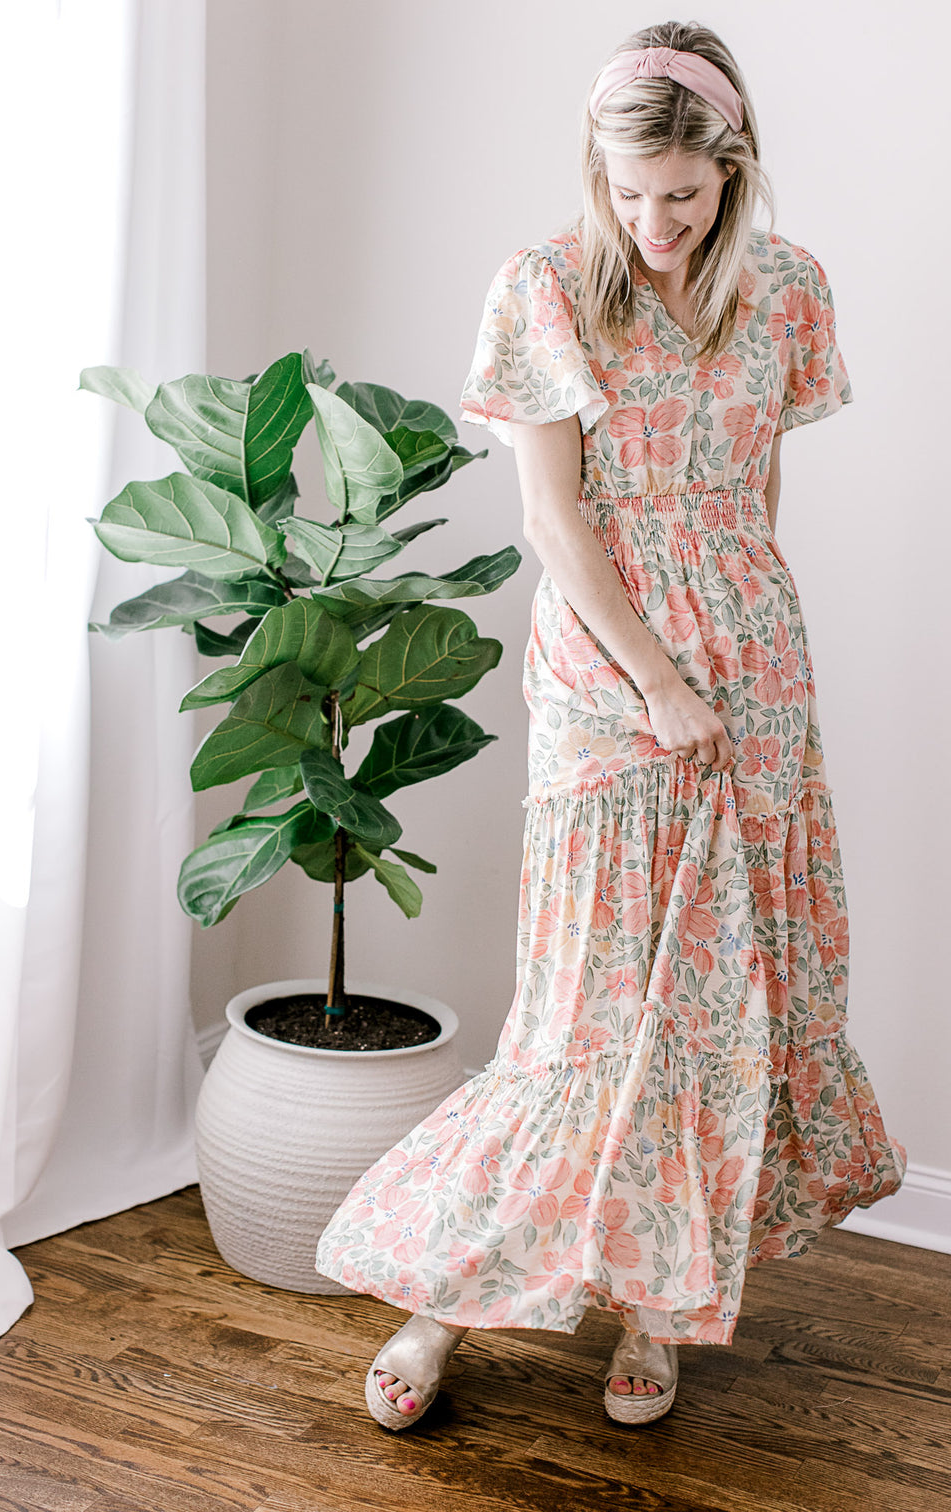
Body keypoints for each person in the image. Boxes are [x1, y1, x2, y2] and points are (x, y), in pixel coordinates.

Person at [314, 18, 906, 1431]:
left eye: (683, 196)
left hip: (754, 664)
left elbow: (752, 502)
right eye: (628, 191)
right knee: (580, 1018)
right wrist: (656, 678)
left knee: (712, 1011)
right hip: (607, 673)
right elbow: (551, 522)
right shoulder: (549, 289)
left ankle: (655, 1311)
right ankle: (439, 1308)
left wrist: (739, 666)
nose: (653, 222)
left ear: (733, 170)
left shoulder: (790, 292)